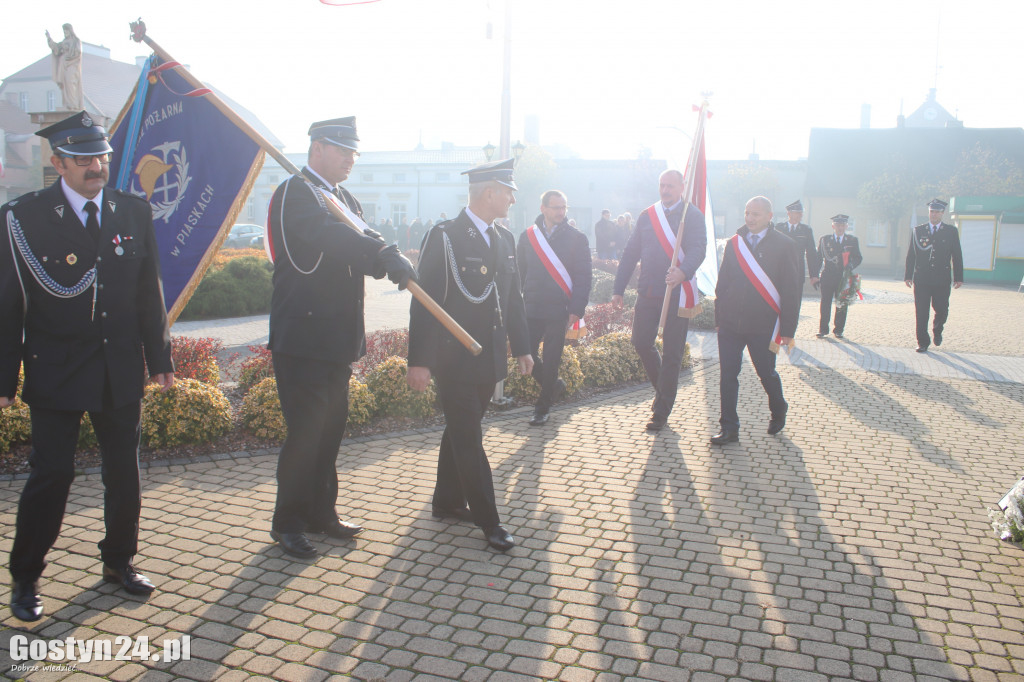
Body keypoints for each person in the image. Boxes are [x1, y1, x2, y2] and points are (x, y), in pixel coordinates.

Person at [0, 111, 175, 621]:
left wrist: (159, 356)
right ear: (57, 163)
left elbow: (149, 291)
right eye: (82, 158)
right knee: (51, 475)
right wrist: (4, 377)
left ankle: (119, 563)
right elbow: (8, 304)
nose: (96, 166)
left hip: (119, 366)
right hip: (56, 369)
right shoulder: (23, 216)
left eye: (101, 156)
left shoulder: (132, 211)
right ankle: (26, 576)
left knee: (125, 474)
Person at [265, 116, 415, 559]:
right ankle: (287, 522)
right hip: (302, 336)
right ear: (317, 149)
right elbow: (328, 237)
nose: (351, 159)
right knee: (306, 432)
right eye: (343, 150)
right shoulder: (296, 192)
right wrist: (378, 251)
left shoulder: (342, 197)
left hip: (335, 337)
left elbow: (361, 246)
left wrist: (386, 256)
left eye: (354, 152)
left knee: (330, 431)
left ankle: (320, 513)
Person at [407, 158, 533, 552]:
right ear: (489, 192)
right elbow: (423, 301)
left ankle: (446, 501)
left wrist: (524, 348)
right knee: (469, 437)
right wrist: (419, 361)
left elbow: (513, 301)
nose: (513, 199)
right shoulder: (445, 236)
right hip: (453, 360)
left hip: (488, 357)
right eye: (508, 191)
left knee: (462, 430)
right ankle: (490, 521)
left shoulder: (504, 239)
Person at [612, 169, 707, 432]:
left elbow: (700, 248)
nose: (665, 190)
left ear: (681, 187)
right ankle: (663, 389)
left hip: (678, 293)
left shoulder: (692, 216)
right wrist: (618, 289)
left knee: (672, 354)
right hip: (648, 291)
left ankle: (661, 411)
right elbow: (631, 253)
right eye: (662, 185)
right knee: (640, 342)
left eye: (670, 186)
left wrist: (683, 271)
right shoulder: (647, 215)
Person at [711, 196, 800, 445]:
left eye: (756, 214)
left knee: (766, 373)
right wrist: (719, 316)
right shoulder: (734, 243)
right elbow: (723, 282)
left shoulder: (785, 246)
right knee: (728, 374)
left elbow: (792, 291)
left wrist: (788, 330)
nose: (750, 218)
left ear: (770, 216)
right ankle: (729, 428)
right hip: (730, 324)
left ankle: (779, 407)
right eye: (747, 213)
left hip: (763, 326)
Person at [517, 190, 592, 426]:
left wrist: (576, 309)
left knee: (551, 359)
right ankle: (554, 385)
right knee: (524, 351)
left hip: (560, 309)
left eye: (564, 207)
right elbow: (519, 272)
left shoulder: (577, 238)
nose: (561, 212)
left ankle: (543, 407)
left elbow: (583, 277)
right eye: (556, 207)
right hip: (531, 306)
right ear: (543, 209)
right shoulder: (528, 236)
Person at [905, 198, 963, 352]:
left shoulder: (950, 231)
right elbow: (912, 254)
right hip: (922, 278)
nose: (934, 214)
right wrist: (908, 275)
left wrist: (958, 277)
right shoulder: (919, 230)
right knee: (921, 311)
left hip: (941, 279)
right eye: (932, 211)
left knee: (942, 309)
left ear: (942, 213)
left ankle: (937, 330)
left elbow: (957, 255)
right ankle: (922, 342)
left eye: (937, 212)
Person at [815, 214, 862, 339]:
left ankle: (839, 330)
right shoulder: (825, 240)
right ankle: (823, 329)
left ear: (846, 226)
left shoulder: (852, 240)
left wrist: (850, 265)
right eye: (837, 225)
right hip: (828, 276)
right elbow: (818, 258)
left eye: (842, 225)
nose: (840, 228)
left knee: (842, 304)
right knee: (825, 303)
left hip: (843, 277)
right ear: (833, 226)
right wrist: (814, 275)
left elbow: (858, 257)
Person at [778, 200, 820, 304]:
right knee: (778, 301)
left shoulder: (806, 230)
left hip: (797, 270)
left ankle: (793, 320)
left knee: (795, 302)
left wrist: (814, 275)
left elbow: (811, 253)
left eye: (801, 212)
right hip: (780, 270)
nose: (800, 215)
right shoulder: (778, 228)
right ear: (789, 213)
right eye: (797, 212)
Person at [46, 24, 84, 110]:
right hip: (63, 65)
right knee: (64, 85)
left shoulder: (76, 41)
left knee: (70, 82)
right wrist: (49, 38)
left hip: (72, 65)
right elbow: (56, 48)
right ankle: (67, 104)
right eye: (64, 31)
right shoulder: (63, 42)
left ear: (70, 31)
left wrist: (69, 57)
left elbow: (78, 53)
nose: (65, 33)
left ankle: (73, 104)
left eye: (66, 31)